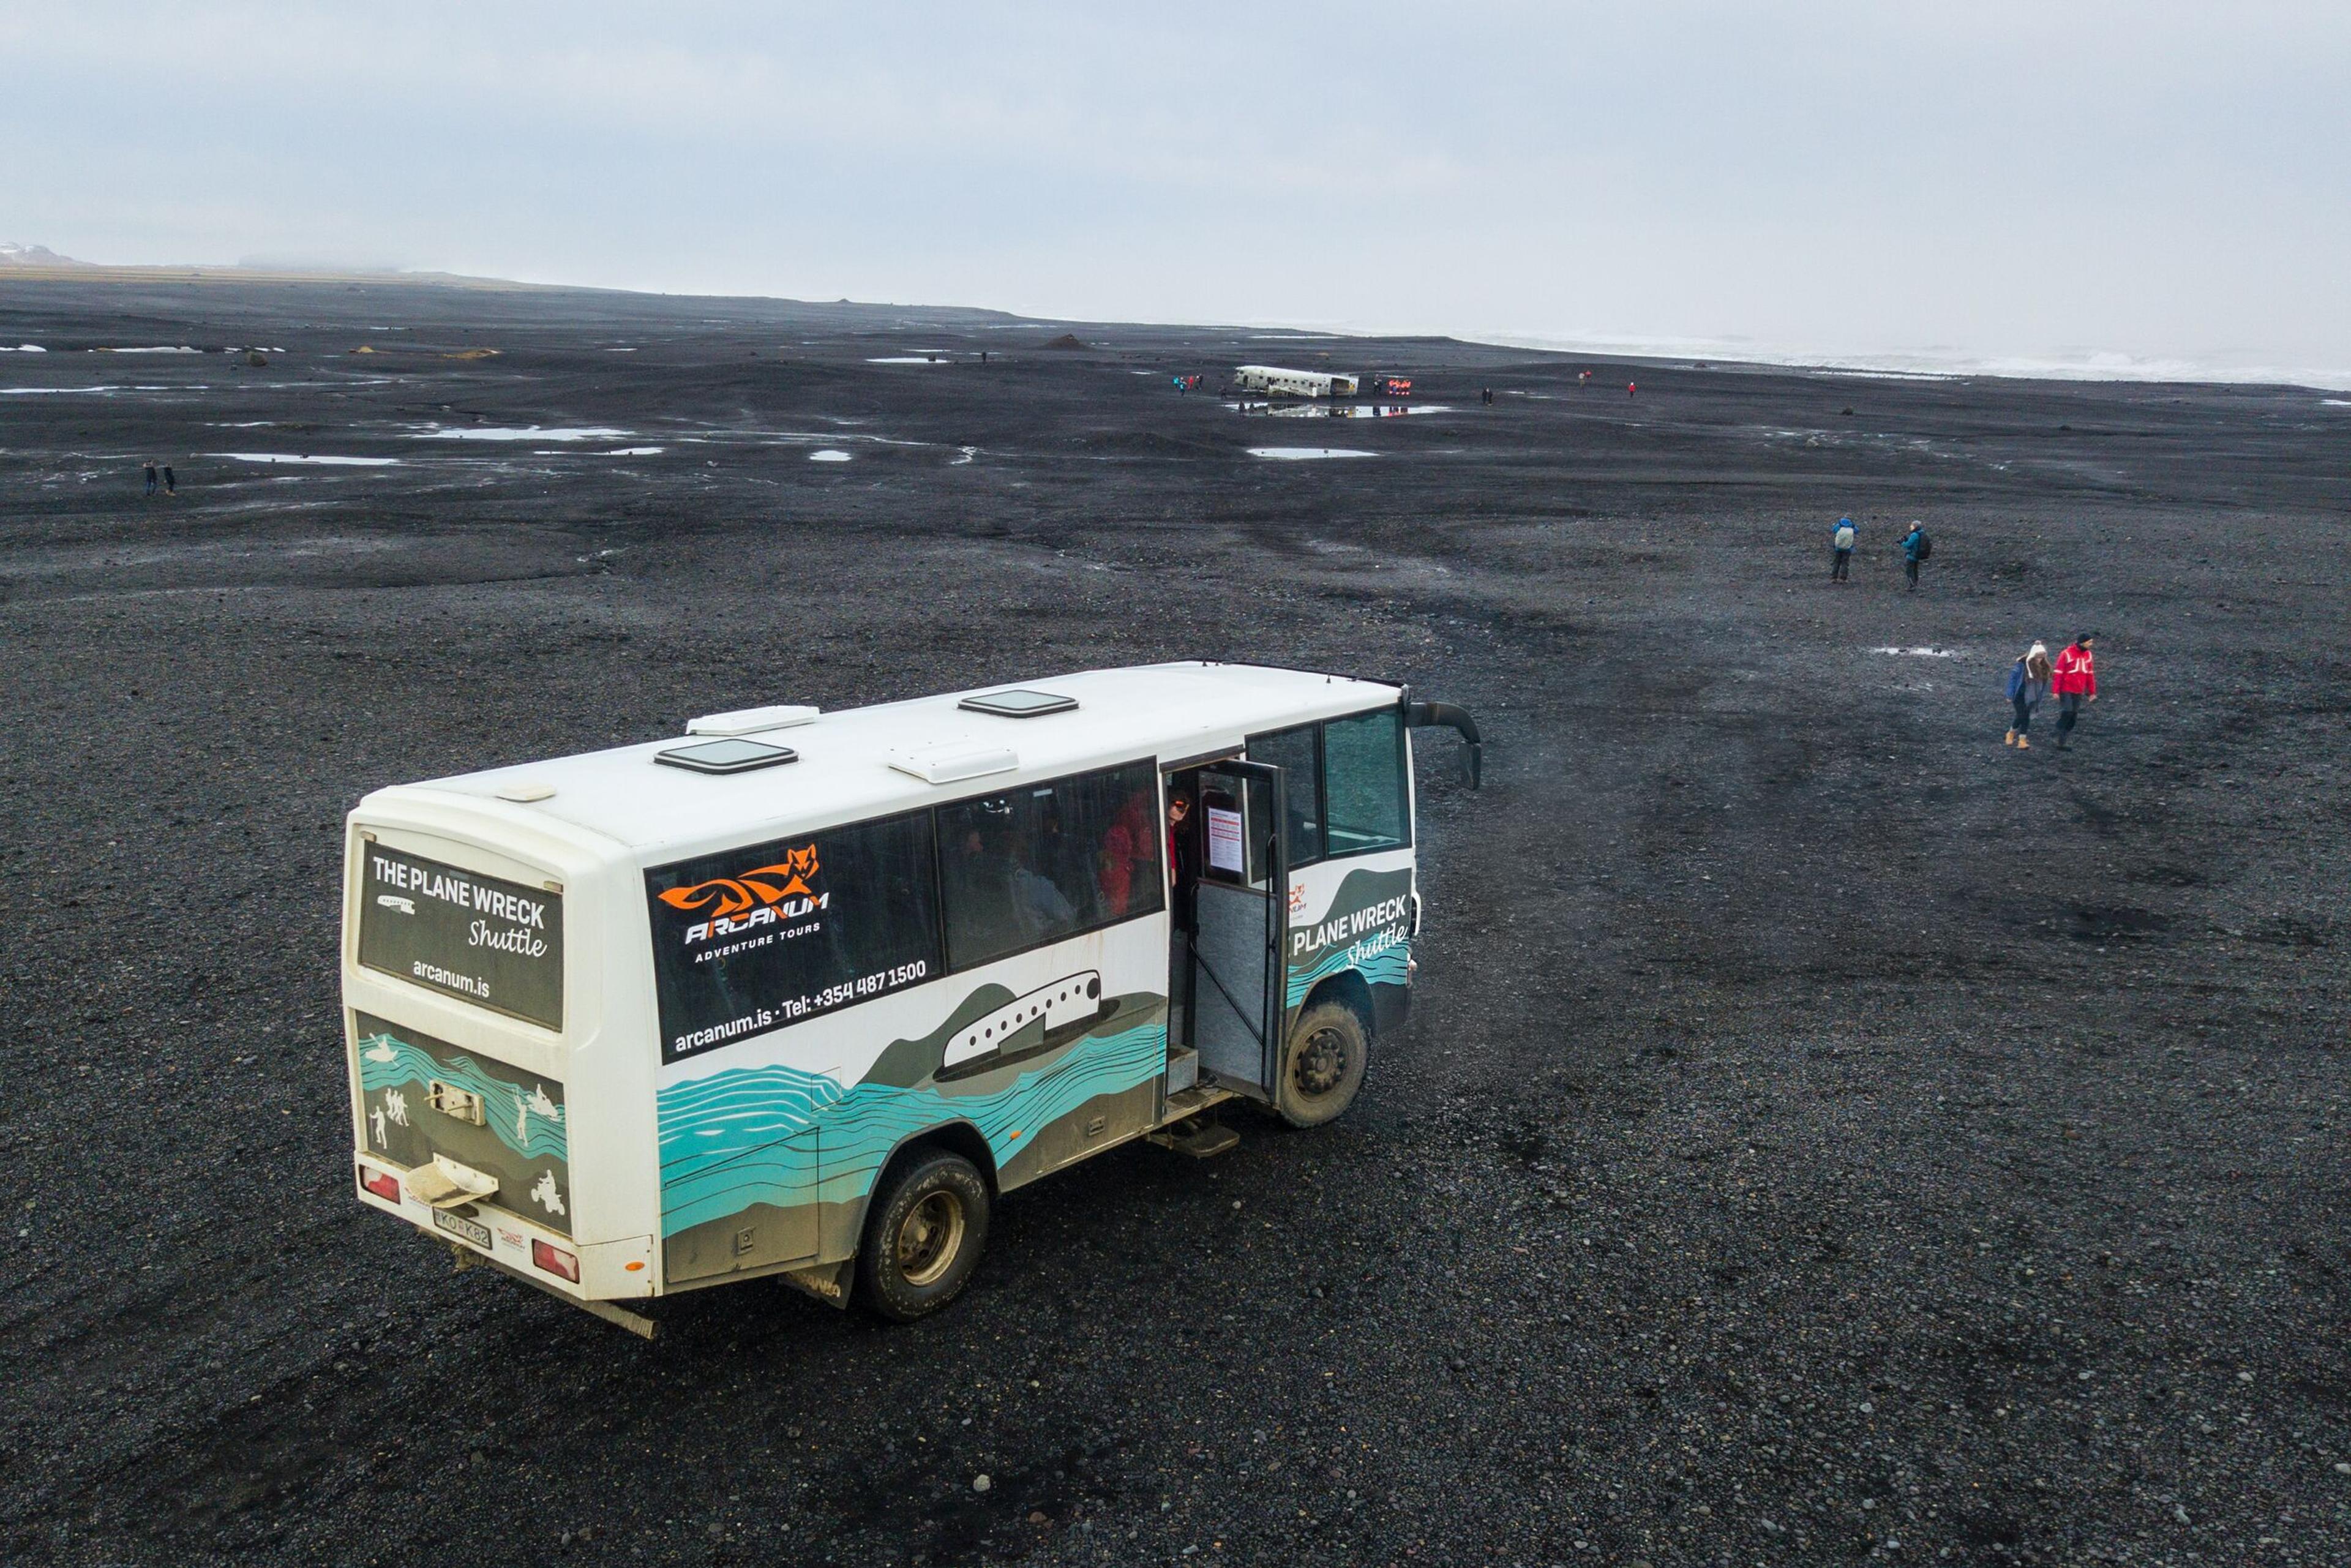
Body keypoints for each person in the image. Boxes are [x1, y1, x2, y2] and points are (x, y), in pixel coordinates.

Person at [2052, 633, 2098, 748]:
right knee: (2067, 711)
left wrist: (2092, 692)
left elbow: (2090, 674)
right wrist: (2056, 691)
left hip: (2078, 690)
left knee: (2073, 717)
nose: (2091, 644)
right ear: (2082, 642)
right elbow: (2058, 673)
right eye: (2089, 642)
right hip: (2066, 688)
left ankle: (2061, 741)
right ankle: (2057, 732)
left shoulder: (2088, 655)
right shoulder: (2066, 654)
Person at [2004, 642, 2051, 748]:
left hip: (2032, 696)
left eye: (2042, 657)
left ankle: (2020, 739)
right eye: (2038, 657)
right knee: (2023, 715)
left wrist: (2039, 697)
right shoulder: (2022, 665)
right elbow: (2013, 679)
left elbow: (2043, 684)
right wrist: (2009, 694)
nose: (2040, 659)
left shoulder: (2043, 668)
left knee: (2025, 716)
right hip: (2019, 695)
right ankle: (2015, 735)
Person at [1900, 520, 1928, 591]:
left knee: (1909, 570)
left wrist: (1902, 543)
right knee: (1915, 570)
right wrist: (1907, 540)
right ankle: (1915, 583)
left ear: (1915, 527)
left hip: (1912, 556)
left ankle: (1912, 585)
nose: (1910, 527)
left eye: (1912, 526)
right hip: (1918, 555)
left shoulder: (1914, 535)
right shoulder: (1922, 533)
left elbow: (1908, 545)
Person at [1831, 516, 1856, 582]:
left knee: (1836, 562)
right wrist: (1853, 526)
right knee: (1845, 563)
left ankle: (1834, 578)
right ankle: (1843, 578)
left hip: (1838, 548)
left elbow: (1834, 530)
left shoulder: (1839, 525)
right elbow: (1857, 531)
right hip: (1847, 549)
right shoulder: (1851, 526)